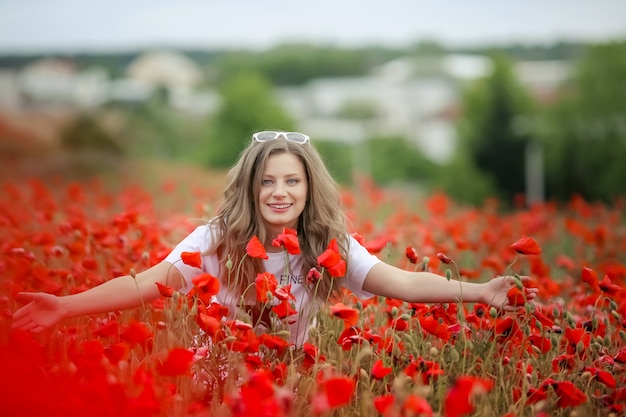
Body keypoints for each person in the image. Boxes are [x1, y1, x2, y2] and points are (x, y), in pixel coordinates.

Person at [12, 131, 538, 346]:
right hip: (210, 386)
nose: (279, 192)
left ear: (310, 188)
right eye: (267, 181)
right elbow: (143, 284)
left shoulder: (329, 244)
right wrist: (64, 305)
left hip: (288, 387)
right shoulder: (215, 240)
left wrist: (482, 292)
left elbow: (399, 282)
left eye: (292, 181)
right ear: (250, 186)